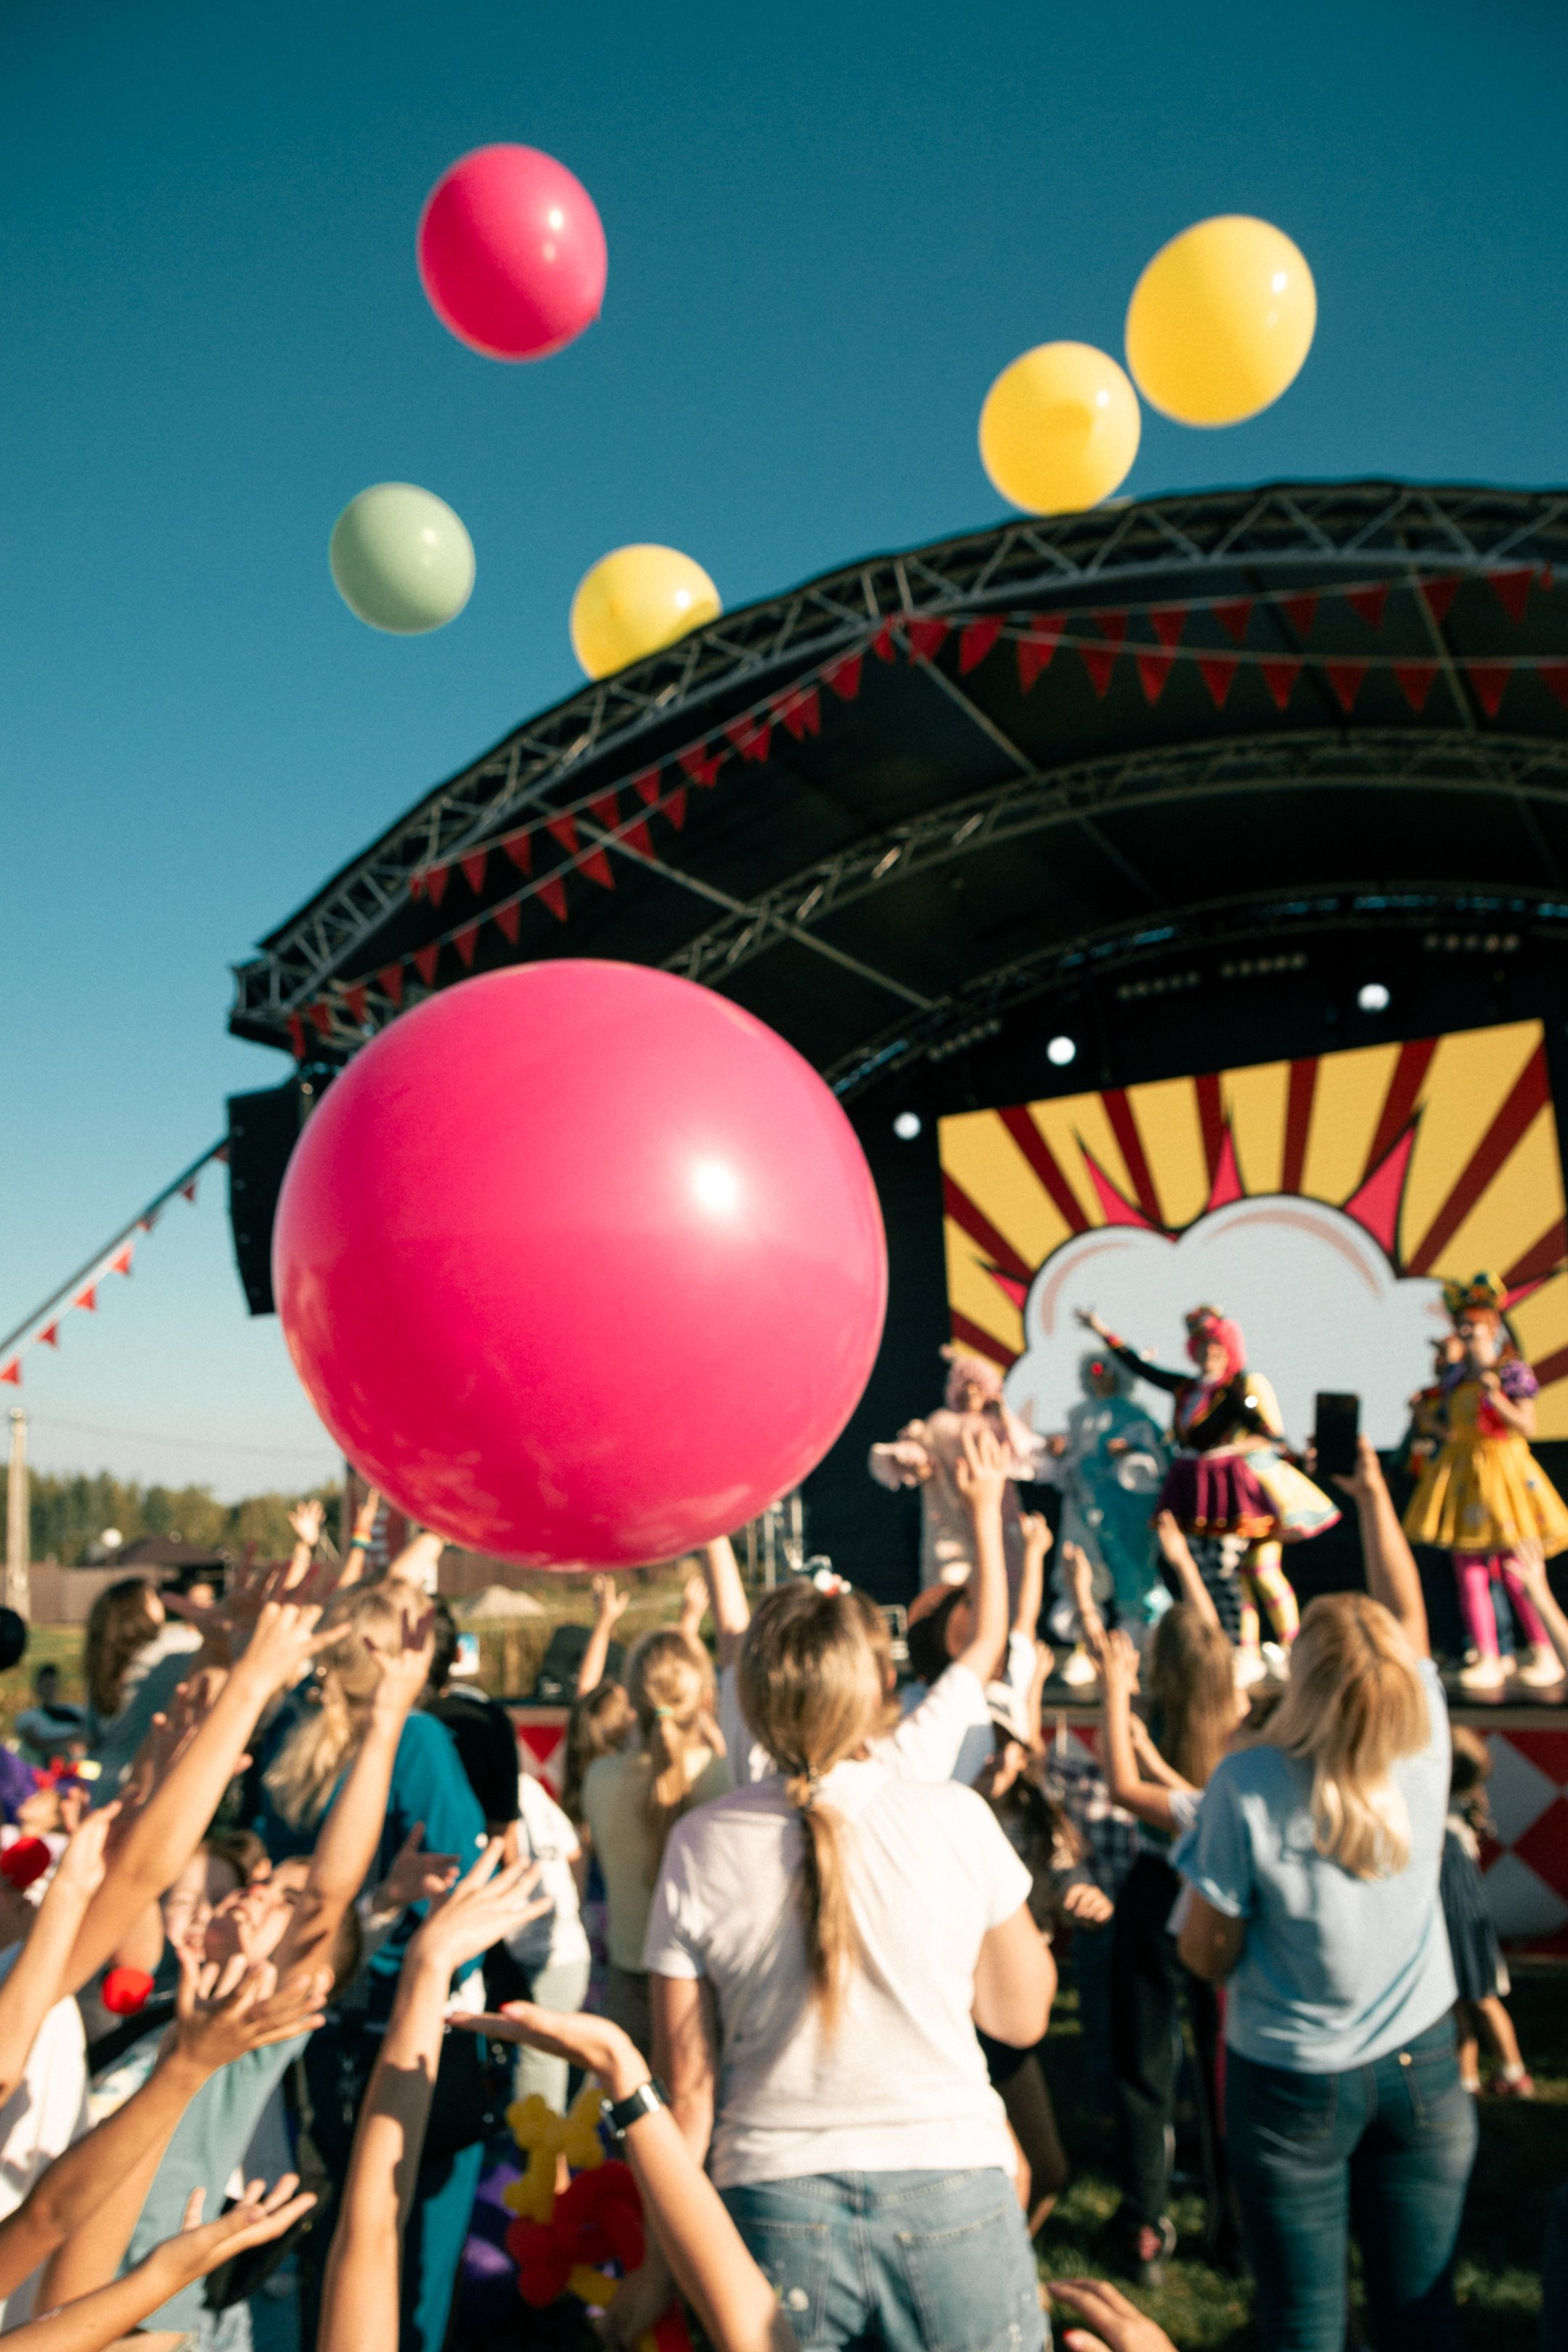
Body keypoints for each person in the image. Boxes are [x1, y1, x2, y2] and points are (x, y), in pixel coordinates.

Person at [636, 1435, 1055, 2352]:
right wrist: (985, 1509)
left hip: (769, 2199)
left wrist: (660, 2264)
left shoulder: (702, 1844)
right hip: (955, 2183)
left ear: (750, 1695)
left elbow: (688, 2096)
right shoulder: (951, 1814)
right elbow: (1021, 2023)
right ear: (877, 1687)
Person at [1175, 1436, 1475, 2352]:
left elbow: (1203, 1952)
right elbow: (1409, 1621)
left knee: (1303, 2324)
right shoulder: (1423, 1737)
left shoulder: (1250, 1785)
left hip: (1292, 2078)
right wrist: (1374, 1500)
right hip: (1426, 2061)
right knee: (1420, 2316)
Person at [248, 1583, 488, 2352]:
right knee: (407, 2259)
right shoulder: (414, 1740)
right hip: (402, 2025)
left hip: (312, 2028)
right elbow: (463, 1899)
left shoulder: (296, 1742)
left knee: (332, 2247)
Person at [1071, 1527, 1243, 2282]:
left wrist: (1115, 1692)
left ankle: (1145, 2223)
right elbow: (1215, 1644)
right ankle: (1234, 2224)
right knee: (1222, 2063)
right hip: (1224, 1893)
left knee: (1146, 2068)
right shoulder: (1238, 1714)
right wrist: (1181, 1565)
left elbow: (1118, 1789)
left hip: (1154, 1891)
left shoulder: (1145, 1709)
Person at [1079, 1302, 1338, 1680]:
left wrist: (1236, 1450)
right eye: (1201, 1347)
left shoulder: (1238, 1390)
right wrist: (1102, 1329)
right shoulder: (1187, 1390)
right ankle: (1234, 1648)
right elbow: (1142, 1368)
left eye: (1215, 1346)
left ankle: (1267, 1646)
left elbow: (1267, 1433)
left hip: (1230, 1491)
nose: (1208, 1354)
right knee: (1206, 1571)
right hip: (1192, 1486)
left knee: (1233, 1570)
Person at [1402, 1271, 1568, 1691]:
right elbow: (1454, 1432)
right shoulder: (1455, 1378)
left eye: (1473, 1324)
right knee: (1470, 1571)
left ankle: (1544, 1649)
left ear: (1491, 1327)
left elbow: (1526, 1425)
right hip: (1464, 1476)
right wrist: (1425, 1421)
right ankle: (1489, 1653)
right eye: (1461, 1324)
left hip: (1505, 1475)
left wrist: (1497, 1399)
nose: (1465, 1331)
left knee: (1517, 1569)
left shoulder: (1511, 1372)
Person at [581, 1628, 730, 2058]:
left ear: (631, 1702)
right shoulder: (722, 1779)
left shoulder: (601, 1780)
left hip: (629, 1989)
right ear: (703, 1697)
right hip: (708, 1997)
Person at [868, 1344, 1048, 1595]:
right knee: (952, 1590)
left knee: (1002, 1586)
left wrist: (1004, 1414)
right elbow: (917, 1460)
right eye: (966, 1385)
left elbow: (1028, 1457)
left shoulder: (997, 1424)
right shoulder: (940, 1423)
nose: (972, 1392)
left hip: (996, 1520)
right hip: (950, 1525)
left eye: (978, 1386)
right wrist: (913, 1461)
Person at [1037, 1350, 1168, 1672]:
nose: (1100, 1376)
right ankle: (1086, 1648)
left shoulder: (1135, 1417)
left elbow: (1159, 1458)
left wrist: (1131, 1450)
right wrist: (1061, 1452)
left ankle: (1139, 1645)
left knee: (1133, 1572)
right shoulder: (1079, 1416)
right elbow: (1074, 1457)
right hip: (1084, 1506)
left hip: (1124, 1510)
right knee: (1083, 1572)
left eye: (1107, 1371)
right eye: (1094, 1370)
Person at [1442, 1726, 1532, 2096]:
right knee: (1481, 1998)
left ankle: (1470, 2079)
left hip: (1455, 1920)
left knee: (1464, 2001)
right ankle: (1508, 2071)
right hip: (1470, 1919)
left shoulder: (1441, 1822)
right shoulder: (1468, 1809)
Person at [504, 1760, 592, 2112]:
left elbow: (511, 1863)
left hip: (546, 1952)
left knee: (541, 2060)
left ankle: (549, 2161)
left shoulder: (508, 1792)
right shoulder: (528, 1786)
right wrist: (574, 1909)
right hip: (566, 1947)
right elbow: (574, 1851)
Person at [82, 1577, 202, 1805]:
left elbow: (93, 1735)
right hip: (148, 1785)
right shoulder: (168, 1649)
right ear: (137, 1610)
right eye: (152, 1598)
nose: (160, 1604)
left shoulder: (103, 1668)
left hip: (104, 1786)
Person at [14, 1667, 86, 1771]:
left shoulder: (76, 1711)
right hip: (43, 1769)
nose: (50, 1689)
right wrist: (66, 1743)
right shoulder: (28, 1717)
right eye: (46, 1685)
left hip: (77, 1768)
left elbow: (89, 1737)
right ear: (37, 1688)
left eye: (52, 1684)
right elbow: (34, 1740)